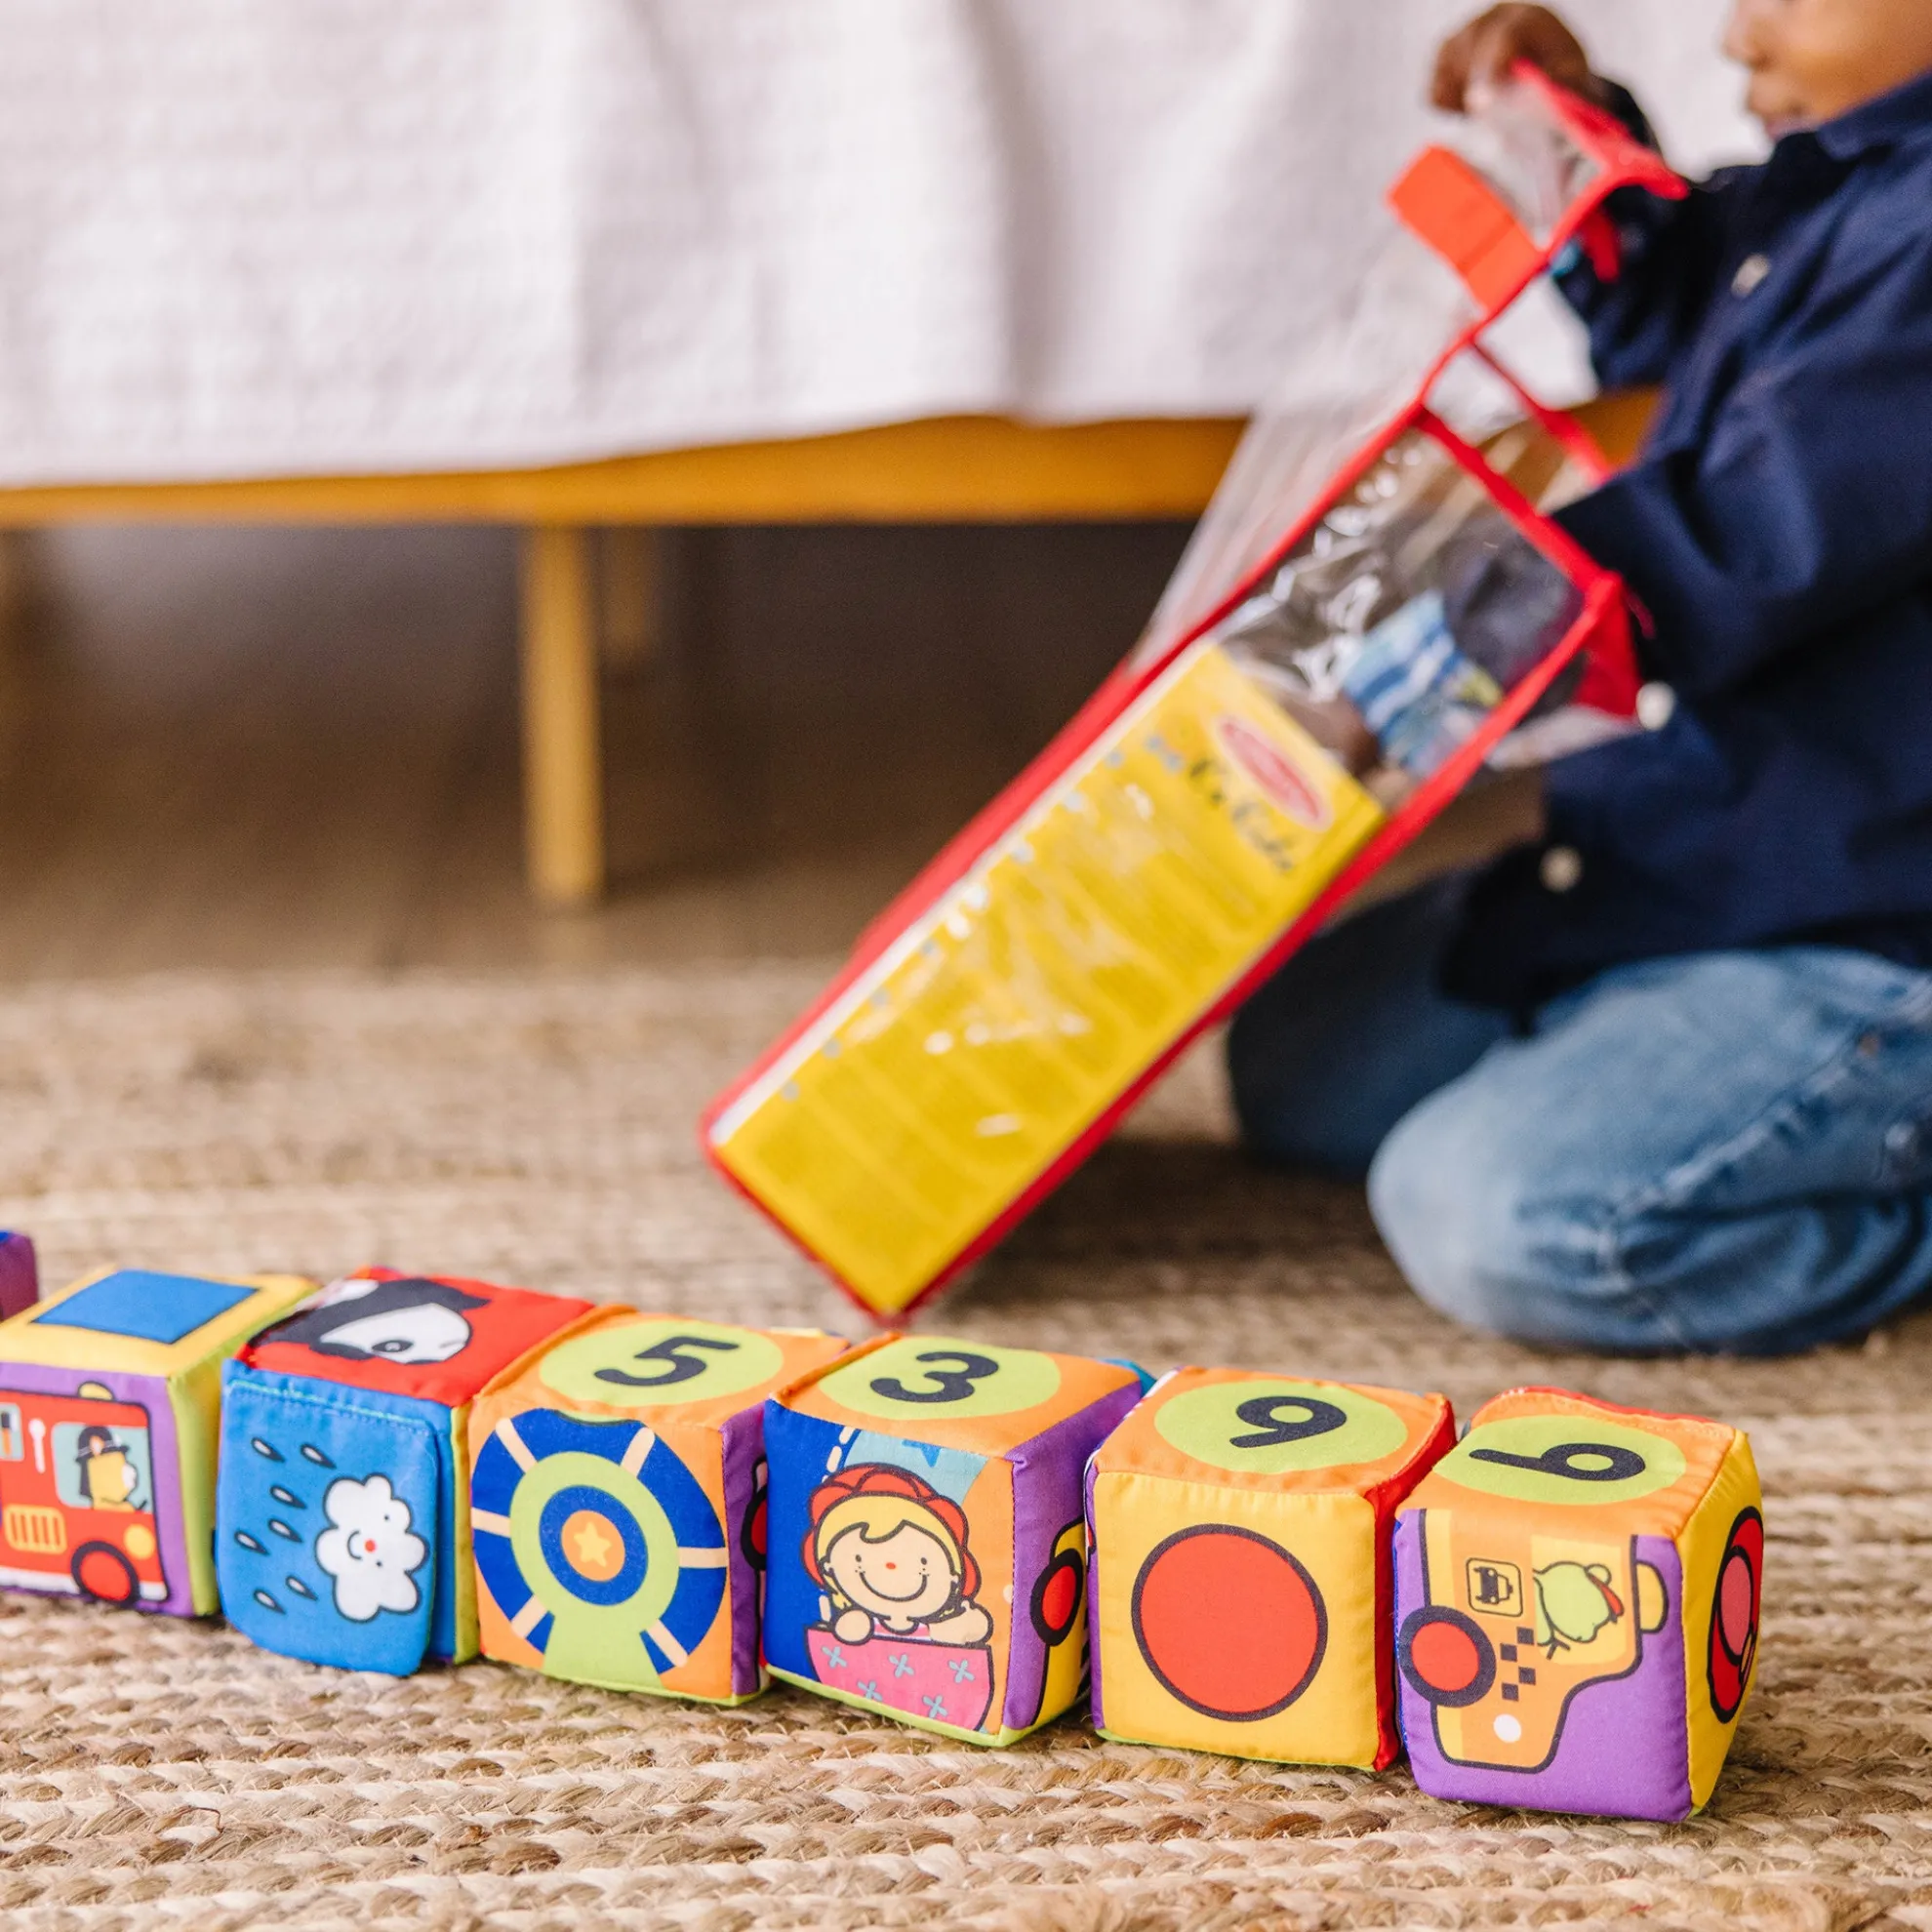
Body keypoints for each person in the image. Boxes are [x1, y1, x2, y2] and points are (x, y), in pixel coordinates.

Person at [1228, 0, 1932, 1354]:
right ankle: (1653, 1044)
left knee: (1496, 1218)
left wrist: (1412, 653)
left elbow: (1738, 532)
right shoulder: (1851, 176)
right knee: (1292, 1063)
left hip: (1868, 919)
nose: (1742, 37)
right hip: (1689, 860)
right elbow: (1679, 289)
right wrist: (1574, 126)